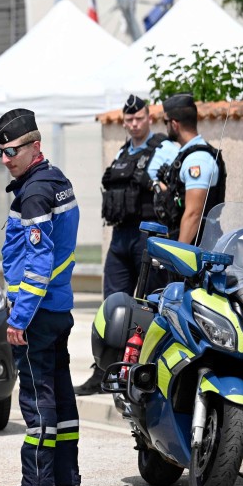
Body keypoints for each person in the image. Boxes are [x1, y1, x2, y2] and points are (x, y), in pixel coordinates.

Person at [0, 109, 82, 486]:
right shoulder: (56, 181)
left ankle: (38, 485)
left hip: (37, 312)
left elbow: (38, 262)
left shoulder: (36, 193)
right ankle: (67, 484)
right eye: (0, 151)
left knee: (37, 397)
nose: (6, 159)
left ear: (35, 146)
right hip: (58, 308)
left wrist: (19, 316)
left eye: (12, 150)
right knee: (60, 396)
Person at [74, 95, 176, 395]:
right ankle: (104, 372)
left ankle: (149, 372)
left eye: (139, 118)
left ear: (149, 118)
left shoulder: (165, 149)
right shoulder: (122, 152)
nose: (134, 124)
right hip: (120, 236)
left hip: (149, 235)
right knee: (112, 306)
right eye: (129, 120)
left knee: (151, 304)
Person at [153, 93, 226, 245]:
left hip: (197, 246)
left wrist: (179, 256)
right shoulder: (187, 154)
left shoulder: (197, 160)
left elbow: (194, 213)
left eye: (165, 122)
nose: (165, 127)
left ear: (174, 124)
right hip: (189, 241)